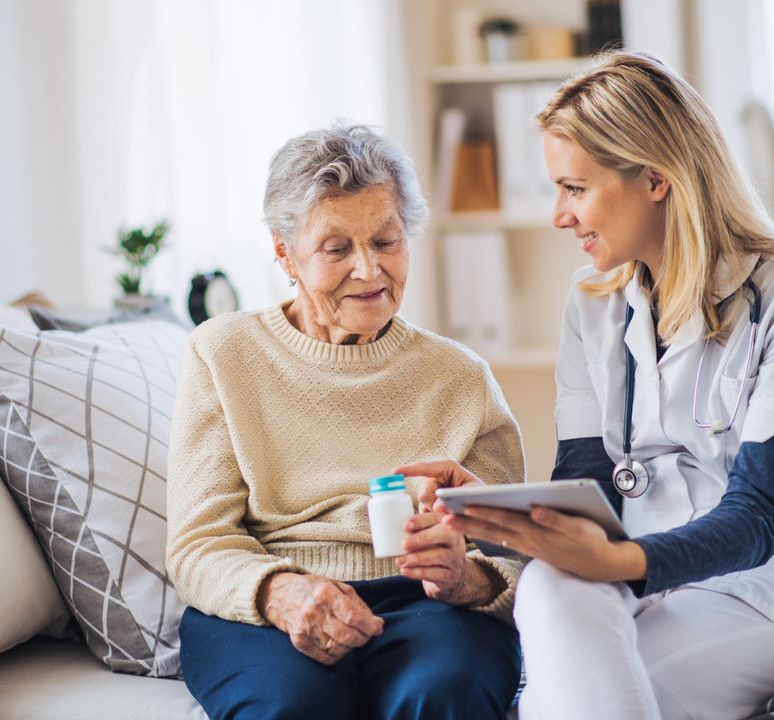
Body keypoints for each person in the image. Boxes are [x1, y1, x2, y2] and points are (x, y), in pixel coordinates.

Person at [397, 51, 774, 720]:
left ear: (655, 178)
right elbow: (590, 487)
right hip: (638, 571)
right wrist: (495, 518)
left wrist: (616, 559)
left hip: (770, 586)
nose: (560, 215)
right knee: (551, 589)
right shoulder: (592, 300)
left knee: (576, 695)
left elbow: (760, 518)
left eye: (575, 188)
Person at [165, 124, 524, 720]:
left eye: (387, 241)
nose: (369, 270)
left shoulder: (461, 378)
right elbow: (199, 542)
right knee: (291, 706)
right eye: (337, 250)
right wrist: (281, 593)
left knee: (446, 693)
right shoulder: (222, 354)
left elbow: (513, 552)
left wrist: (467, 579)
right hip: (272, 600)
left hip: (427, 604)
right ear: (284, 252)